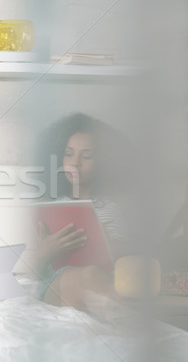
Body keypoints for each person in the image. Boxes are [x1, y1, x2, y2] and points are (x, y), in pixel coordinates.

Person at [35, 113, 132, 310]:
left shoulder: (110, 208)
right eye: (68, 154)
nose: (75, 163)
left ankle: (114, 319)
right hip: (57, 282)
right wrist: (45, 252)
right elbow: (27, 273)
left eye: (86, 156)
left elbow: (124, 259)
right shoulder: (48, 208)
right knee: (83, 277)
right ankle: (119, 318)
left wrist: (104, 242)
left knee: (91, 275)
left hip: (100, 277)